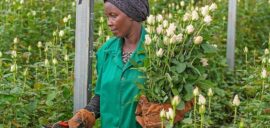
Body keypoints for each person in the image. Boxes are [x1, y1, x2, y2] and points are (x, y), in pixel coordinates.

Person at [51, 0, 150, 128]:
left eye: (113, 15)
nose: (109, 23)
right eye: (107, 17)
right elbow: (102, 95)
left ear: (132, 14)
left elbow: (178, 100)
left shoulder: (158, 51)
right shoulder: (106, 51)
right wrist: (86, 115)